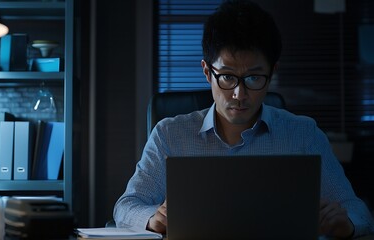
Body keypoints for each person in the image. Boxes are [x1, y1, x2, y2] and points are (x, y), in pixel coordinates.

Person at [113, 0, 374, 238]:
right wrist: (151, 219)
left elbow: (357, 210)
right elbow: (126, 207)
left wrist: (346, 222)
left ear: (273, 73)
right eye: (227, 76)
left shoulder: (303, 134)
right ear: (207, 72)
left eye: (253, 78)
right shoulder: (169, 135)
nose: (239, 94)